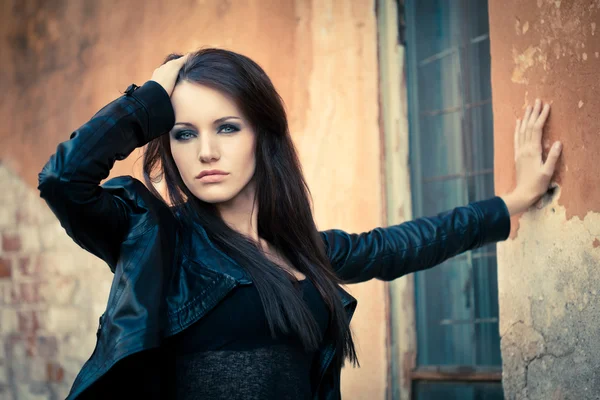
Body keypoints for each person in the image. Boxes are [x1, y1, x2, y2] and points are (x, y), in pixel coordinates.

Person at [37, 48, 562, 400]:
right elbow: (64, 180)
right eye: (183, 134)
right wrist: (152, 92)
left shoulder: (306, 251)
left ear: (262, 135)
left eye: (226, 127)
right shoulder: (154, 239)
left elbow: (404, 244)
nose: (207, 152)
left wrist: (515, 200)